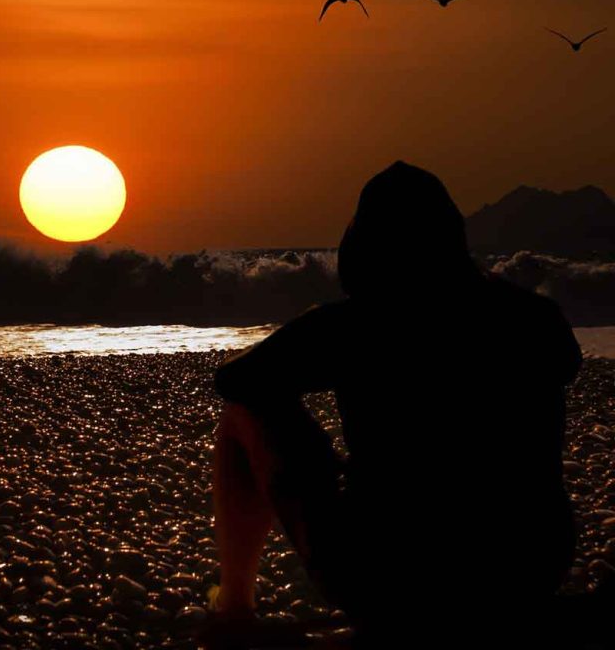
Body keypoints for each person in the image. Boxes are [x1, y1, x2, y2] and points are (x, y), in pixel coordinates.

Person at [206, 161, 583, 647]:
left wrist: (314, 360)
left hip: (386, 578)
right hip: (530, 569)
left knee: (245, 409)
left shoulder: (353, 325)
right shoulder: (534, 317)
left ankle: (234, 607)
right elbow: (566, 365)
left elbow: (234, 380)